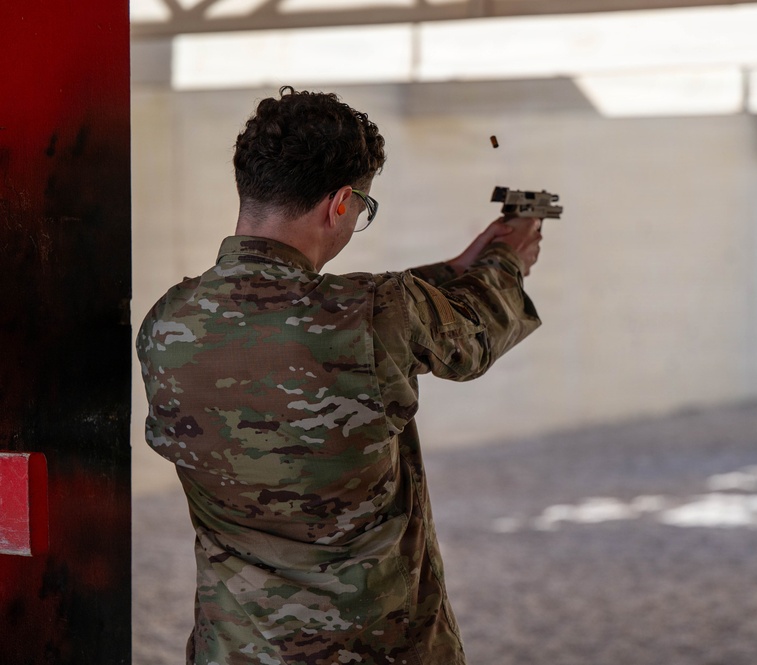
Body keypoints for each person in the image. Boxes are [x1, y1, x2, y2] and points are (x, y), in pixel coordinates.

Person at [136, 86, 543, 665]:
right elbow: (471, 337)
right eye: (362, 211)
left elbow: (325, 311)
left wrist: (454, 270)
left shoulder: (167, 322)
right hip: (375, 648)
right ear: (340, 204)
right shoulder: (380, 314)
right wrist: (506, 261)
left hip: (235, 649)